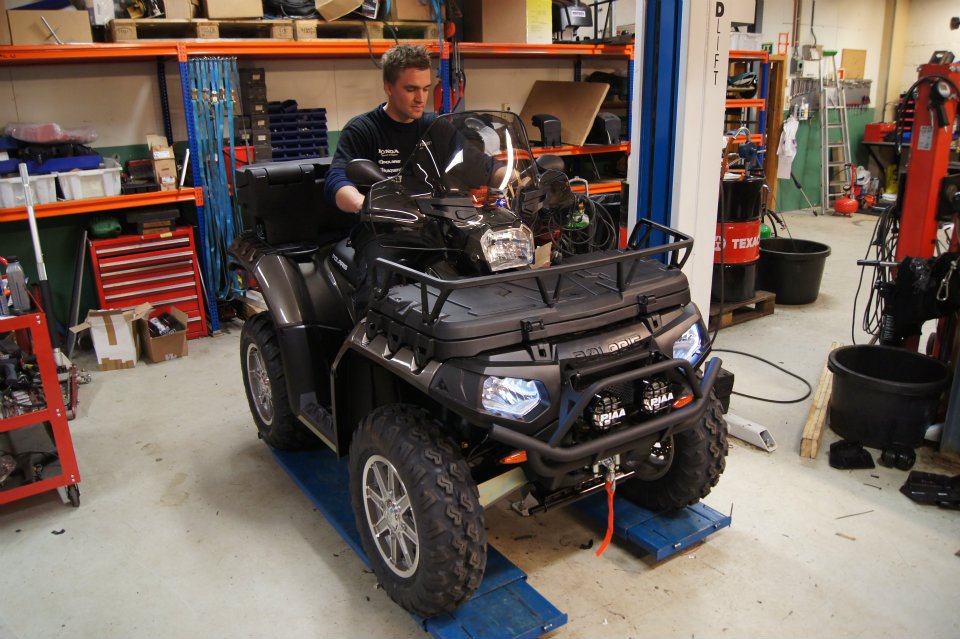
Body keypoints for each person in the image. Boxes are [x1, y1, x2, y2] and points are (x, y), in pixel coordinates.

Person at [324, 44, 437, 214]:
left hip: (431, 221)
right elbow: (337, 179)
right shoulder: (362, 130)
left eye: (425, 89)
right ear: (389, 88)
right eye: (411, 89)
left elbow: (473, 164)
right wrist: (364, 205)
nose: (420, 98)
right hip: (382, 223)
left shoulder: (435, 127)